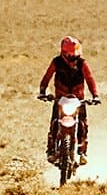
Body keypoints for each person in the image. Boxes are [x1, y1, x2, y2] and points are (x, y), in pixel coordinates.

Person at [37, 36, 100, 164]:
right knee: (54, 123)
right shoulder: (56, 62)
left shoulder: (82, 63)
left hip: (78, 100)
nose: (73, 58)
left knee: (83, 124)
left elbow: (90, 79)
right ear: (64, 53)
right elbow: (47, 77)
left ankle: (82, 152)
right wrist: (42, 91)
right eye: (70, 56)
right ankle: (51, 150)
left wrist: (95, 95)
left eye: (75, 55)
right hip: (60, 99)